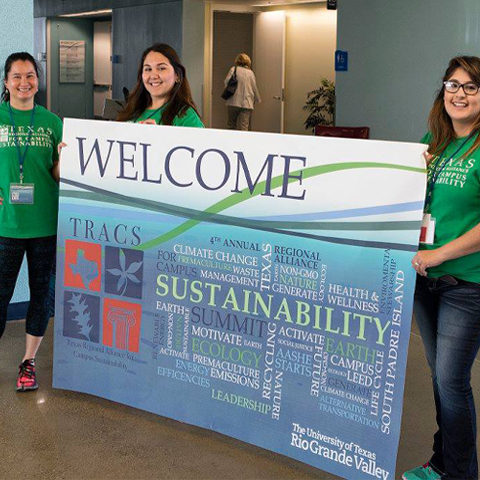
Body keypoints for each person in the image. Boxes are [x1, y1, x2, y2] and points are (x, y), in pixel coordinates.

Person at [404, 56, 480, 480]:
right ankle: (441, 462)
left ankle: (461, 475)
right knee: (439, 378)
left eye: (471, 86)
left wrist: (439, 254)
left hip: (467, 283)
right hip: (425, 280)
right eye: (453, 85)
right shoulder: (434, 144)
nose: (460, 94)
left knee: (451, 382)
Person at [0, 52, 63, 391]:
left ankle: (28, 362)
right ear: (6, 82)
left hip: (45, 225)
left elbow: (54, 173)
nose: (24, 83)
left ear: (38, 80)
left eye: (30, 76)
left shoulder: (52, 122)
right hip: (5, 226)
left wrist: (70, 161)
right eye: (17, 76)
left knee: (41, 295)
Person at [117, 43, 204, 127]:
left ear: (177, 75)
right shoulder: (132, 110)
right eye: (148, 69)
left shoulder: (186, 117)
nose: (153, 76)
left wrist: (159, 136)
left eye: (161, 68)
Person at [224, 53, 261, 131]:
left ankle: (231, 142)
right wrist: (258, 99)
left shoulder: (233, 69)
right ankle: (243, 142)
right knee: (244, 127)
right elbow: (254, 88)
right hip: (246, 104)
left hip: (233, 102)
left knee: (231, 125)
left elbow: (226, 82)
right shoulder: (250, 73)